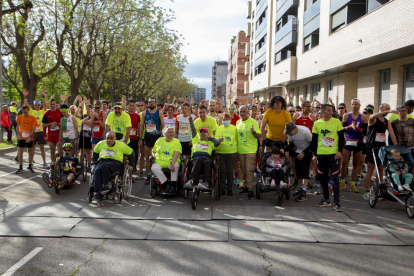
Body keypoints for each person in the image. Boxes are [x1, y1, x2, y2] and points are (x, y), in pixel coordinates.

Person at [312, 104, 344, 212]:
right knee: (323, 177)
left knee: (335, 179)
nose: (331, 112)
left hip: (333, 154)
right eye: (329, 110)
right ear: (323, 111)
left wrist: (340, 151)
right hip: (321, 154)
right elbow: (314, 140)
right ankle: (326, 199)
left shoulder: (336, 122)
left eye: (332, 110)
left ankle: (337, 203)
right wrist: (314, 155)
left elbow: (342, 138)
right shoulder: (317, 123)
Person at [364, 103, 398, 200]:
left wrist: (395, 146)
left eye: (389, 109)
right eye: (386, 109)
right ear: (380, 108)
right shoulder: (373, 118)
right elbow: (373, 116)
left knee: (380, 171)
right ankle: (367, 192)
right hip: (372, 147)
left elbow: (391, 133)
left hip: (381, 148)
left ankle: (377, 191)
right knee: (370, 170)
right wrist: (388, 112)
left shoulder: (387, 122)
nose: (388, 111)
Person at [92, 131, 135, 200]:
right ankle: (98, 192)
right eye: (107, 138)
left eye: (111, 138)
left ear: (115, 138)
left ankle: (105, 186)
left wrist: (131, 165)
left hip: (115, 163)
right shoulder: (101, 144)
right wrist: (93, 162)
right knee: (97, 169)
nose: (109, 140)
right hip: (102, 161)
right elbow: (95, 153)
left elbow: (132, 153)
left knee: (103, 166)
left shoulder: (121, 145)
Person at [340, 98, 368, 193]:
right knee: (344, 162)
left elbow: (366, 131)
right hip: (348, 141)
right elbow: (342, 129)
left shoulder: (364, 117)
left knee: (356, 163)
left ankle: (353, 184)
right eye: (353, 104)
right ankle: (342, 181)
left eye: (356, 104)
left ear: (359, 106)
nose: (354, 106)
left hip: (358, 142)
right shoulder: (346, 115)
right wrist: (349, 127)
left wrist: (357, 129)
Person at [184, 126, 222, 190]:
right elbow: (193, 130)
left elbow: (217, 142)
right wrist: (190, 117)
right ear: (199, 134)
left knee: (207, 162)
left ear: (208, 134)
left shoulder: (210, 143)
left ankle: (206, 183)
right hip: (196, 159)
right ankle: (192, 181)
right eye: (201, 132)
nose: (203, 133)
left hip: (207, 159)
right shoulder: (196, 140)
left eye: (205, 132)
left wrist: (210, 138)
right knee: (198, 160)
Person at [282, 122, 312, 202]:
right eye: (288, 133)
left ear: (295, 129)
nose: (289, 135)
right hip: (298, 150)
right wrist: (283, 150)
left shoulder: (305, 131)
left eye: (290, 133)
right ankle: (301, 188)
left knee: (305, 170)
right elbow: (291, 145)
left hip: (307, 150)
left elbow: (312, 144)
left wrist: (304, 152)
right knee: (298, 171)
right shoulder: (289, 133)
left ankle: (304, 192)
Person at [237, 105, 261, 199]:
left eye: (244, 111)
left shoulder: (253, 121)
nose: (242, 113)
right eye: (240, 112)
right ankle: (246, 187)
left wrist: (253, 132)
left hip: (250, 150)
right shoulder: (238, 122)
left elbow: (258, 136)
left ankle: (251, 189)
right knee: (243, 169)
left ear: (247, 112)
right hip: (241, 150)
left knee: (249, 170)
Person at [139, 97, 164, 185]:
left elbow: (163, 125)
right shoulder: (144, 113)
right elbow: (142, 126)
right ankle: (148, 176)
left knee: (156, 157)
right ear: (147, 104)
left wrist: (163, 137)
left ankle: (157, 175)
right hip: (147, 137)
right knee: (147, 157)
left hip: (157, 137)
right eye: (150, 102)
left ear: (156, 103)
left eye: (153, 102)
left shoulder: (159, 112)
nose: (151, 104)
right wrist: (140, 138)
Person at [151, 126, 182, 194]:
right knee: (154, 168)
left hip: (171, 161)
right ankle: (166, 183)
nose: (171, 134)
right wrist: (153, 155)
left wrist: (172, 163)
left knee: (175, 166)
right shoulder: (160, 140)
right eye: (169, 132)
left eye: (172, 132)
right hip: (160, 161)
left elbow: (176, 153)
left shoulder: (176, 141)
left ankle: (173, 185)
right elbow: (153, 151)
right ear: (165, 133)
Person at [215, 112, 238, 196]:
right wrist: (218, 140)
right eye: (224, 119)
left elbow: (237, 139)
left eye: (227, 119)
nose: (225, 121)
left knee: (229, 171)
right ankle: (222, 187)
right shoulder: (219, 128)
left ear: (230, 120)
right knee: (222, 171)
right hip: (221, 152)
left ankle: (230, 188)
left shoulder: (234, 128)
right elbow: (216, 139)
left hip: (231, 152)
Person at [15, 105, 37, 174]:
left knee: (30, 152)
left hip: (29, 137)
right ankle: (20, 167)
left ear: (28, 109)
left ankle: (30, 166)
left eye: (26, 111)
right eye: (23, 111)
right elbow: (17, 127)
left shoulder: (32, 117)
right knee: (20, 152)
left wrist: (30, 136)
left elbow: (33, 128)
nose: (25, 112)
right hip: (21, 137)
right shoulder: (20, 117)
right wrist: (18, 135)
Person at [42, 97, 63, 164]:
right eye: (51, 104)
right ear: (49, 104)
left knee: (60, 150)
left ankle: (61, 163)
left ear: (56, 104)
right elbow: (43, 125)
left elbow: (64, 123)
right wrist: (45, 135)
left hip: (59, 134)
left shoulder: (60, 112)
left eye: (54, 104)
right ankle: (53, 163)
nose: (52, 105)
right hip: (51, 134)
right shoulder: (46, 114)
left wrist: (57, 124)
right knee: (52, 150)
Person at [75, 102, 93, 170]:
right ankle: (81, 164)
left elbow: (88, 122)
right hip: (82, 134)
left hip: (89, 136)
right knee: (82, 151)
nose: (88, 110)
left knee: (88, 152)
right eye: (87, 109)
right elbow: (76, 115)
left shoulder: (93, 116)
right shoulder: (84, 115)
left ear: (91, 109)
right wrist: (79, 107)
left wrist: (88, 117)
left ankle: (89, 165)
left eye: (89, 109)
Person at [126, 99, 140, 182]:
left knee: (133, 156)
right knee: (124, 156)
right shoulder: (124, 114)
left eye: (133, 105)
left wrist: (140, 138)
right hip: (125, 139)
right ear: (127, 106)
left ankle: (131, 174)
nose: (131, 107)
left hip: (134, 138)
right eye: (130, 105)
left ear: (135, 107)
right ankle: (123, 174)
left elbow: (139, 127)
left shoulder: (137, 116)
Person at [136, 101, 146, 178]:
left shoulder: (148, 113)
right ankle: (141, 171)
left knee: (150, 155)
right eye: (139, 105)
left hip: (149, 136)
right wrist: (140, 138)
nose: (140, 107)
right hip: (142, 137)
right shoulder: (138, 115)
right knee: (141, 155)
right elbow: (139, 127)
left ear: (144, 106)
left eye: (141, 105)